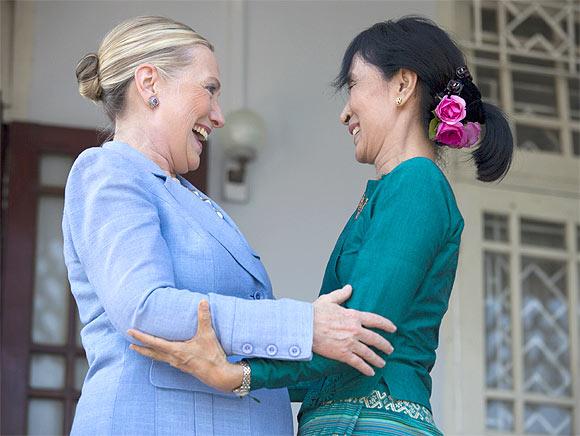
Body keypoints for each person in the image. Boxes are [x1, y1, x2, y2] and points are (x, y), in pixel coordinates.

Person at [129, 16, 515, 435]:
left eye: (353, 86)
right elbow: (332, 351)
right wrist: (237, 369)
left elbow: (357, 335)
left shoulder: (417, 184)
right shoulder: (397, 190)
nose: (345, 112)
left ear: (402, 86)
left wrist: (239, 374)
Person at [64, 16, 398, 436]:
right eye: (210, 89)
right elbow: (145, 308)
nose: (219, 116)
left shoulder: (185, 196)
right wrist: (304, 326)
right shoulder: (109, 170)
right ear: (149, 83)